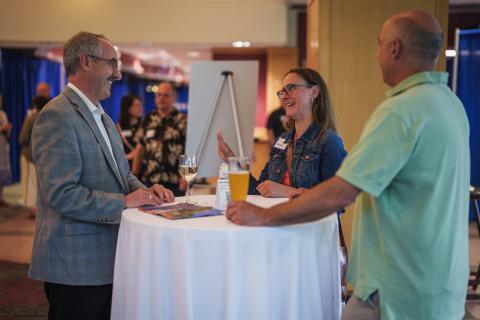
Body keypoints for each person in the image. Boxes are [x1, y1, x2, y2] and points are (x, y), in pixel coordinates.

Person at [226, 10, 470, 320]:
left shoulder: (399, 112)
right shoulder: (450, 103)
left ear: (393, 48)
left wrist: (264, 215)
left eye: (379, 44)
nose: (377, 53)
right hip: (440, 279)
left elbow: (340, 194)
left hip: (398, 285)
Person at [28, 32, 175, 320]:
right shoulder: (56, 115)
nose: (118, 74)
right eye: (112, 64)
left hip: (108, 259)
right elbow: (61, 194)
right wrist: (123, 202)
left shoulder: (102, 116)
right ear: (86, 61)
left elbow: (123, 175)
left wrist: (147, 192)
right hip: (75, 266)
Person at [218, 68, 347, 199]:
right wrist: (232, 161)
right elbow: (258, 191)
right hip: (276, 219)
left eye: (291, 88)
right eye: (283, 91)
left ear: (314, 92)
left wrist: (288, 192)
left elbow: (337, 200)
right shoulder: (283, 140)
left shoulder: (329, 141)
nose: (284, 96)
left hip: (308, 220)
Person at [134, 81, 187, 196]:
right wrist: (134, 177)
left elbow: (189, 150)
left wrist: (185, 177)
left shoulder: (182, 121)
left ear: (174, 98)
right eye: (159, 95)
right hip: (149, 181)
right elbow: (140, 149)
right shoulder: (147, 119)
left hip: (174, 182)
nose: (162, 98)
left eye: (166, 95)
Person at [18, 95, 51, 217]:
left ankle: (33, 210)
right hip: (43, 156)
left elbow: (22, 138)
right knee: (37, 183)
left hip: (29, 155)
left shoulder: (31, 118)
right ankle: (38, 209)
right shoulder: (49, 117)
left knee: (29, 183)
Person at [116, 94, 143, 175]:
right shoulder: (118, 127)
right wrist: (130, 156)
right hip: (126, 167)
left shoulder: (144, 126)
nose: (140, 108)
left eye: (140, 105)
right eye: (136, 105)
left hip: (142, 167)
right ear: (127, 107)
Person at [0, 94, 12, 207]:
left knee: (2, 172)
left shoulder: (3, 114)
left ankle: (1, 198)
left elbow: (7, 132)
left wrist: (8, 129)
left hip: (3, 146)